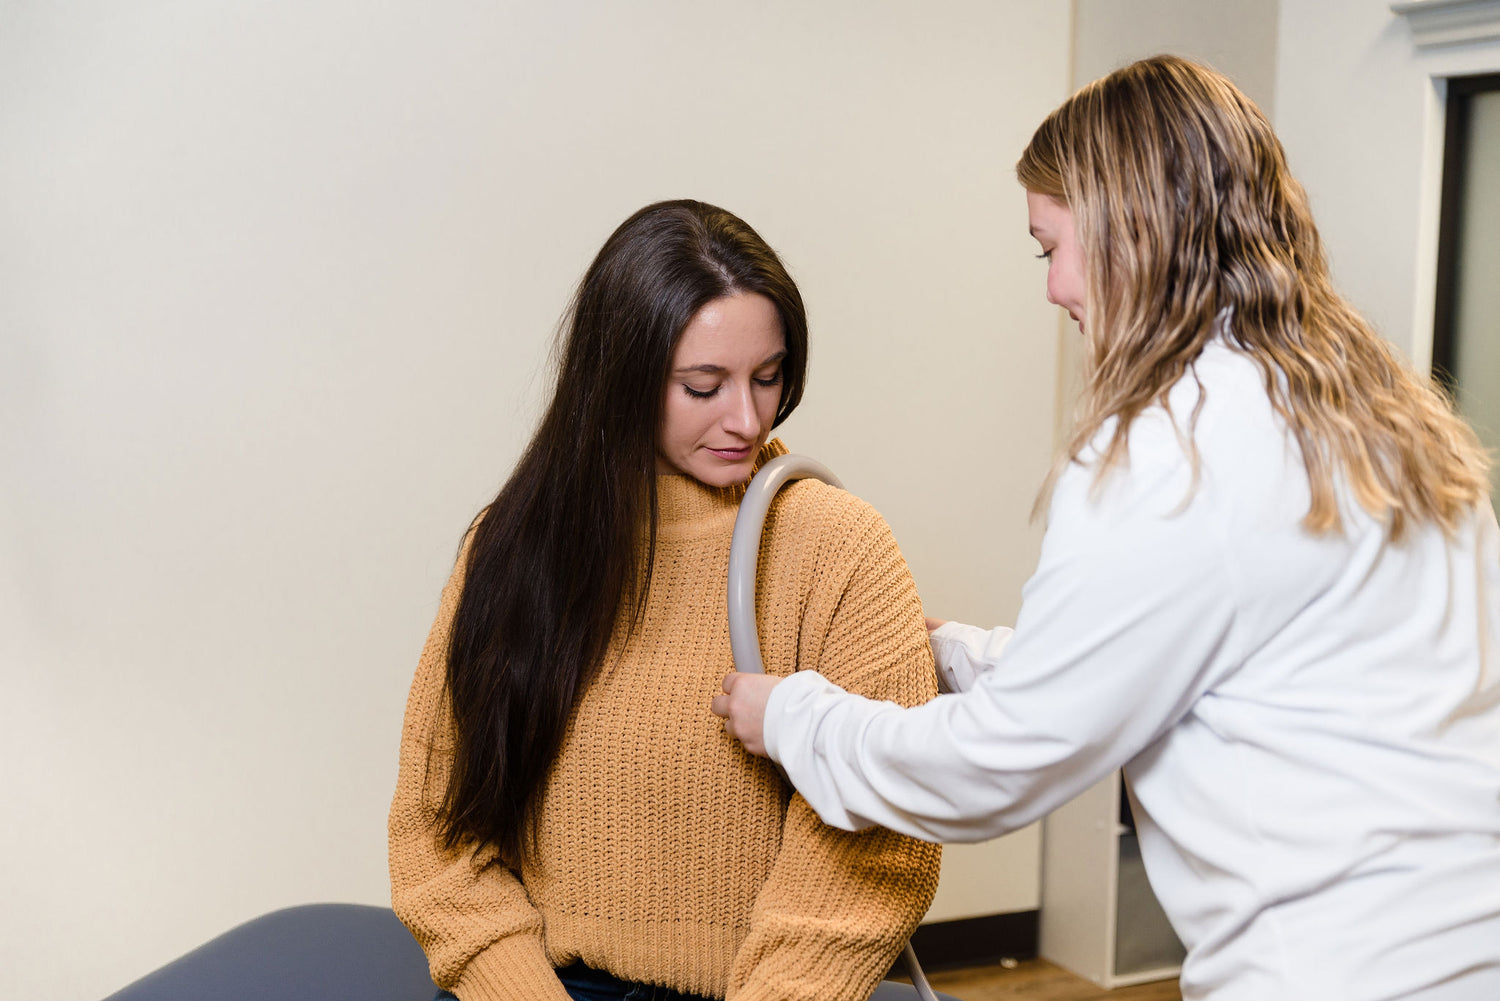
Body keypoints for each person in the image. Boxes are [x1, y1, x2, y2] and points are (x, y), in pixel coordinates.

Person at [713, 56, 1500, 1000]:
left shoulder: (1171, 446)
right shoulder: (1380, 412)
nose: (1053, 290)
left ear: (1133, 225)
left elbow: (1003, 763)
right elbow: (1215, 671)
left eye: (1050, 246)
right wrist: (959, 652)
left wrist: (795, 716)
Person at [388, 199, 941, 1001]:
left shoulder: (840, 548)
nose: (746, 418)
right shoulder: (513, 546)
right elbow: (438, 830)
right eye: (702, 385)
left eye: (768, 376)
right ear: (619, 379)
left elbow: (876, 854)